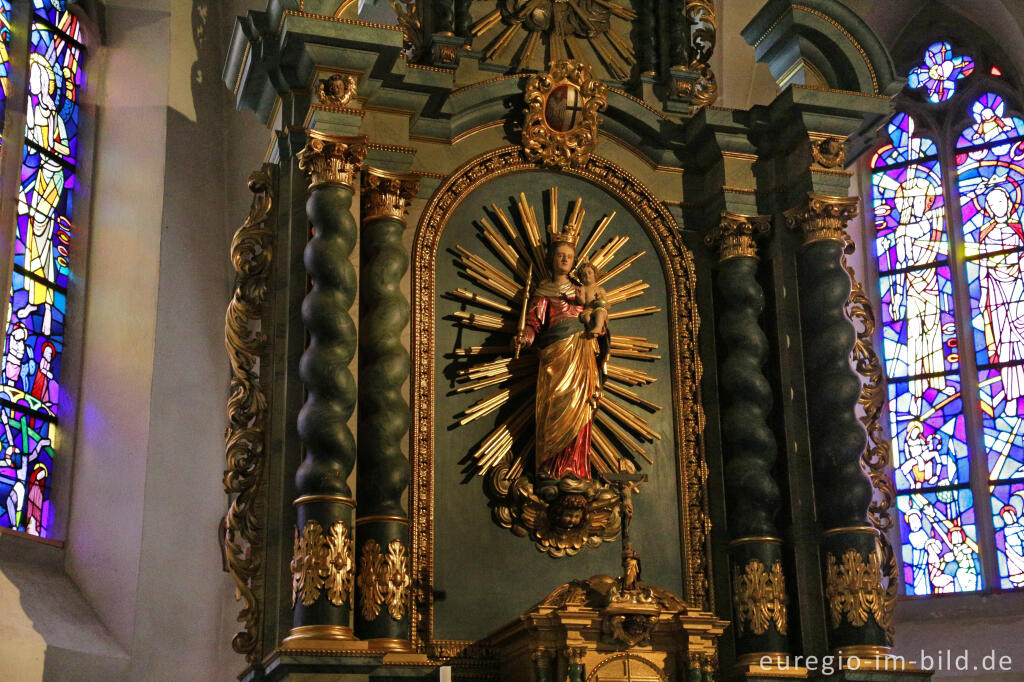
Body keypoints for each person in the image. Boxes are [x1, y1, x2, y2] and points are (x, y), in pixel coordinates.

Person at [512, 240, 607, 479]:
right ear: (551, 260)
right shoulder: (543, 292)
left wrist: (596, 321)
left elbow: (600, 318)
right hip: (555, 356)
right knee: (554, 407)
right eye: (560, 255)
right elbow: (534, 325)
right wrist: (524, 337)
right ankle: (550, 467)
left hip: (581, 351)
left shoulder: (582, 291)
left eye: (569, 256)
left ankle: (576, 468)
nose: (565, 259)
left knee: (581, 407)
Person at [975, 186, 1024, 413]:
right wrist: (984, 293)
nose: (998, 208)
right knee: (1006, 345)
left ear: (1009, 203)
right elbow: (983, 267)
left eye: (1001, 202)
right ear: (988, 209)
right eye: (992, 205)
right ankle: (1012, 394)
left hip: (1018, 288)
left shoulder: (1018, 229)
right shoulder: (985, 234)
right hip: (996, 291)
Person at [574, 259, 608, 338]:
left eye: (589, 273)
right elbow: (582, 302)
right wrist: (579, 297)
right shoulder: (583, 288)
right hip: (588, 310)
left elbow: (606, 302)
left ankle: (598, 328)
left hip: (599, 308)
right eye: (584, 275)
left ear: (595, 274)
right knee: (586, 317)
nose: (587, 275)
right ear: (581, 278)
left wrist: (602, 299)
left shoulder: (600, 289)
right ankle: (593, 330)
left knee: (599, 312)